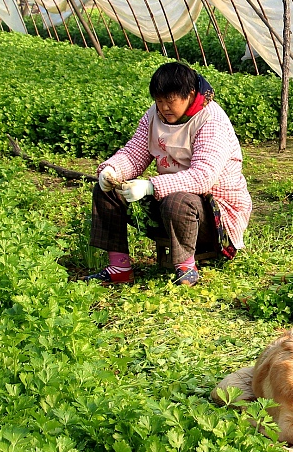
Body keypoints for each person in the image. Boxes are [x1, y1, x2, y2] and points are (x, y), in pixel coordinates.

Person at [86, 61, 252, 286]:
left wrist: (149, 186)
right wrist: (111, 169)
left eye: (170, 100)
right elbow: (135, 153)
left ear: (190, 95)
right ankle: (119, 267)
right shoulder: (153, 116)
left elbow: (203, 177)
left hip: (213, 216)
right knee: (107, 190)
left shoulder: (211, 120)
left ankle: (186, 268)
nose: (163, 107)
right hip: (168, 205)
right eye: (159, 100)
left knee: (178, 200)